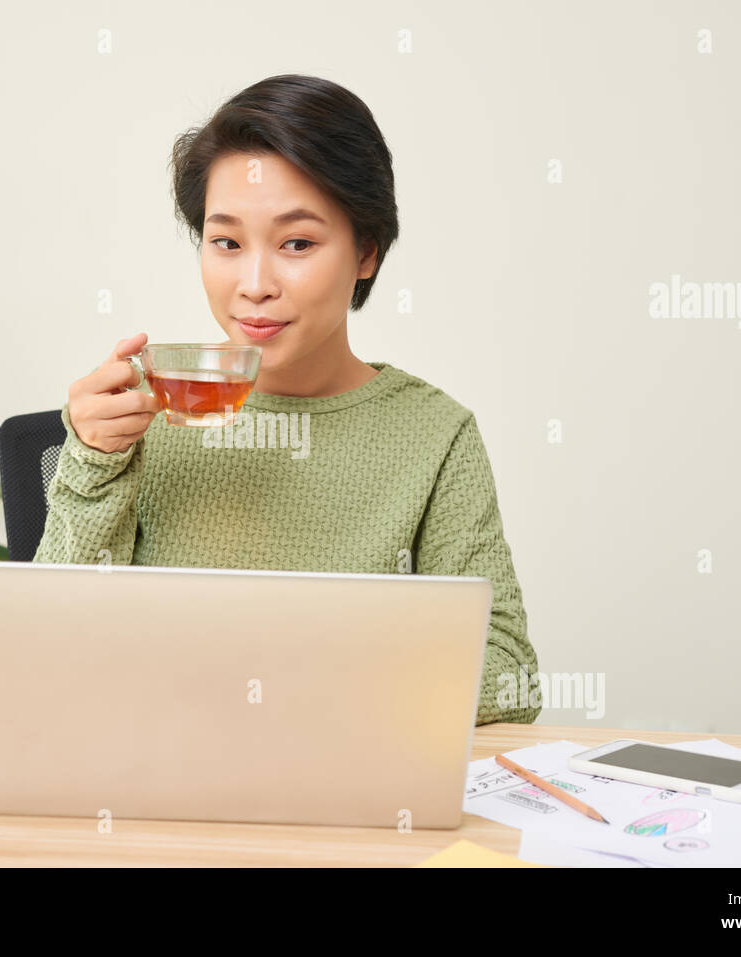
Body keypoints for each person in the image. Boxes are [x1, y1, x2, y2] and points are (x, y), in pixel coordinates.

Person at [35, 74, 541, 724]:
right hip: (160, 778)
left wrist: (299, 692)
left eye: (296, 243)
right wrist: (94, 460)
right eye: (226, 243)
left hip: (345, 788)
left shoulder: (435, 434)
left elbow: (509, 674)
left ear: (366, 252)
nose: (254, 285)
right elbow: (49, 654)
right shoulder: (143, 412)